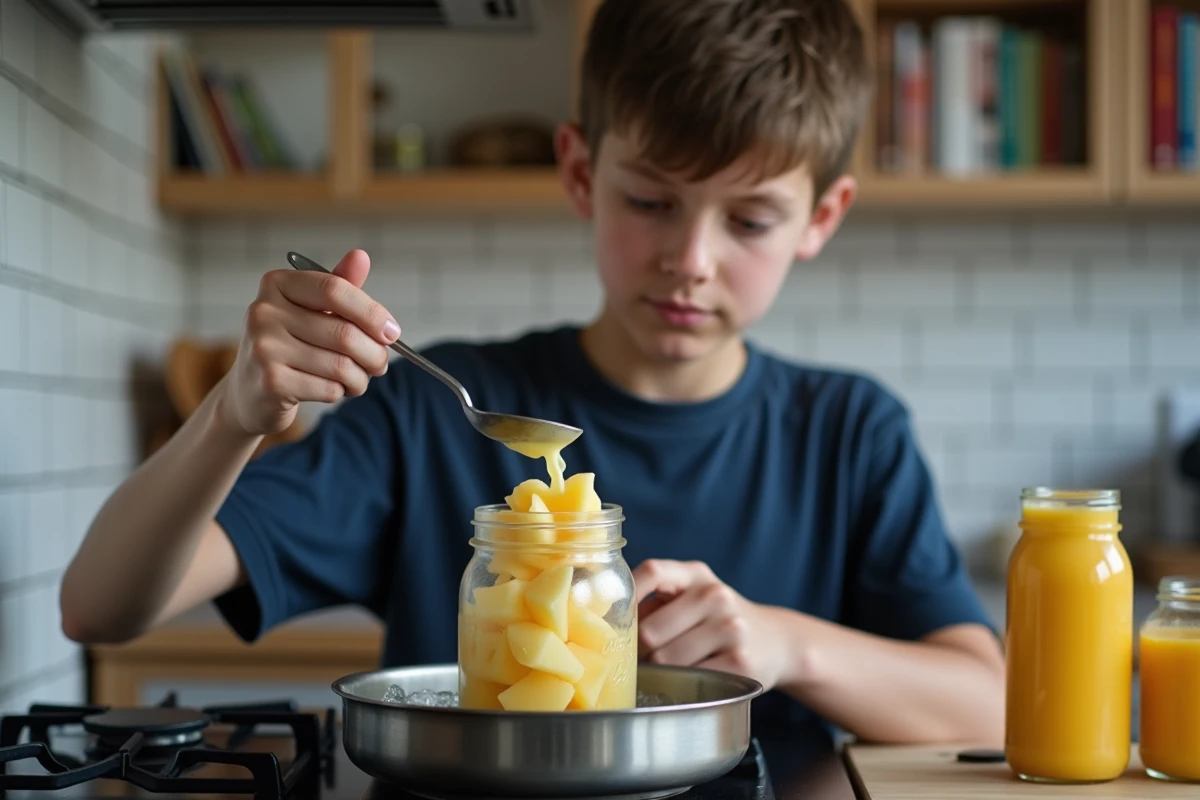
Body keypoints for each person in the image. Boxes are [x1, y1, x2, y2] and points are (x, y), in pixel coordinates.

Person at [60, 0, 1005, 750]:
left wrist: (788, 643)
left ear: (821, 218)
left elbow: (989, 702)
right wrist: (233, 414)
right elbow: (98, 606)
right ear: (581, 173)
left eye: (749, 220)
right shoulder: (430, 413)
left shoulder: (848, 431)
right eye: (652, 201)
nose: (690, 260)